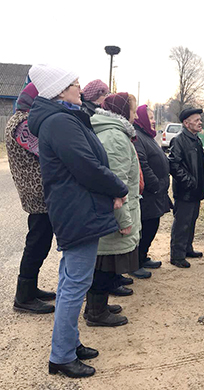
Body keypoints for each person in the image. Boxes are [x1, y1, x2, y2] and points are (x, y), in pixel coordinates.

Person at [28, 64, 128, 378]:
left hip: (78, 207)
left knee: (72, 279)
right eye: (74, 83)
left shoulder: (62, 117)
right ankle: (61, 356)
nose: (79, 88)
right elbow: (85, 165)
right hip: (78, 209)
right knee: (75, 284)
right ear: (59, 90)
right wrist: (117, 187)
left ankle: (69, 343)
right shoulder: (60, 121)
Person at [85, 93, 142, 326]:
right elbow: (116, 182)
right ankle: (96, 313)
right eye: (132, 109)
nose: (136, 114)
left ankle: (98, 306)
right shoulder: (115, 137)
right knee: (105, 265)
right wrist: (124, 220)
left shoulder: (114, 132)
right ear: (121, 111)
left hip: (111, 213)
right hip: (113, 215)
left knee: (105, 263)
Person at [5, 83, 56, 314]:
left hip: (36, 190)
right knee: (37, 242)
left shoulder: (21, 120)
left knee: (40, 241)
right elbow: (43, 149)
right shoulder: (22, 123)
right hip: (37, 192)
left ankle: (30, 288)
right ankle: (23, 296)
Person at [132, 104, 171, 278]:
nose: (154, 121)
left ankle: (143, 256)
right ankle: (135, 263)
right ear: (141, 119)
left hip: (155, 194)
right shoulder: (138, 137)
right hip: (148, 194)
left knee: (151, 226)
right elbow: (142, 163)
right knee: (145, 228)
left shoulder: (147, 135)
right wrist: (155, 184)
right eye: (150, 117)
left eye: (154, 117)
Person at [169, 107, 204, 268]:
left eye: (200, 119)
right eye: (197, 120)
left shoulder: (195, 139)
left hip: (196, 191)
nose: (200, 123)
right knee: (182, 223)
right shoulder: (179, 140)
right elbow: (174, 165)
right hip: (186, 191)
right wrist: (189, 182)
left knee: (192, 220)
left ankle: (187, 248)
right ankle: (177, 255)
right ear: (187, 123)